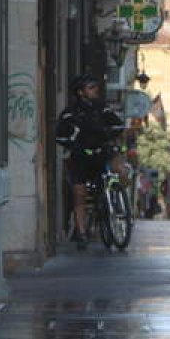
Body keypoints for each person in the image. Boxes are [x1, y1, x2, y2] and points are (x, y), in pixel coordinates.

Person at [55, 73, 126, 250]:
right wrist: (73, 145)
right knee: (79, 193)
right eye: (91, 87)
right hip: (81, 156)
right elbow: (60, 135)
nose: (96, 90)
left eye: (96, 86)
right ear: (80, 92)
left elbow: (118, 124)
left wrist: (110, 134)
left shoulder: (102, 108)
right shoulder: (69, 114)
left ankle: (118, 199)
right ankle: (82, 231)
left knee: (120, 171)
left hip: (102, 152)